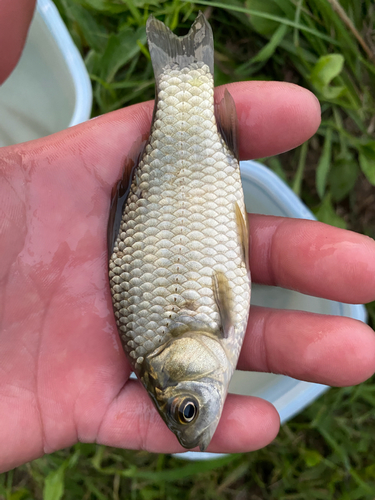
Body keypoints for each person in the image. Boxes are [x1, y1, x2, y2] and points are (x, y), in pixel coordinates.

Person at [0, 2, 375, 474]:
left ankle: (181, 78)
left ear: (172, 364)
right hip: (191, 195)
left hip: (174, 193)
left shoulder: (201, 332)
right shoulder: (178, 339)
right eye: (188, 411)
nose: (197, 421)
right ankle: (184, 74)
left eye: (188, 409)